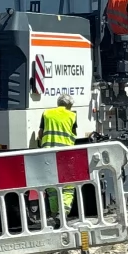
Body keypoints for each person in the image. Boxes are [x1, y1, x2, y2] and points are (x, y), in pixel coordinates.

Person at [37, 94, 78, 225]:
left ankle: (55, 213)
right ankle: (63, 212)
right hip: (66, 155)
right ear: (69, 105)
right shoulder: (72, 115)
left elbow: (40, 134)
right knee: (68, 186)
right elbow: (74, 134)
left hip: (48, 154)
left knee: (51, 186)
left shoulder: (47, 113)